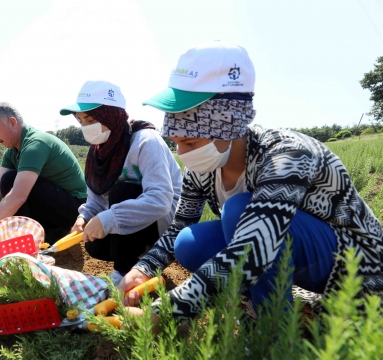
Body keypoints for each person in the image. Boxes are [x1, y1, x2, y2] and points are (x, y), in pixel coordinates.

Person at [119, 41, 383, 323]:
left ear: (228, 126)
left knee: (239, 210)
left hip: (355, 267)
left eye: (190, 142)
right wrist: (144, 268)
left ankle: (271, 327)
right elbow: (181, 224)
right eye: (177, 143)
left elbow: (255, 243)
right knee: (189, 243)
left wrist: (165, 313)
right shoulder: (204, 167)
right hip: (293, 258)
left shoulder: (288, 155)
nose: (183, 155)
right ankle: (261, 295)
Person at [59, 81, 183, 285]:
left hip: (165, 224)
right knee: (94, 245)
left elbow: (161, 199)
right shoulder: (97, 152)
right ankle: (137, 256)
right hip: (134, 222)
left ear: (110, 114)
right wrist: (85, 217)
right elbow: (96, 199)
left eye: (91, 119)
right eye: (81, 121)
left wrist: (109, 219)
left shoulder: (145, 140)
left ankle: (125, 271)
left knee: (123, 191)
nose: (85, 127)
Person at [0, 102, 88, 248]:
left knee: (10, 180)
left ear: (12, 122)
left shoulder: (35, 144)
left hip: (75, 208)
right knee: (6, 181)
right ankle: (36, 234)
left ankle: (47, 234)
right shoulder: (12, 151)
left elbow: (18, 196)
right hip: (53, 202)